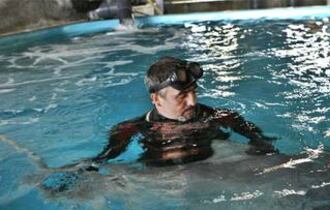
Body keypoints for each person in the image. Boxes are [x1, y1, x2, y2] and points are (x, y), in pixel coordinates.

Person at [92, 56, 277, 167]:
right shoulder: (128, 129)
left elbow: (264, 145)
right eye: (182, 96)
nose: (193, 102)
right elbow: (97, 164)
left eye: (194, 92)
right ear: (156, 98)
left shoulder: (221, 117)